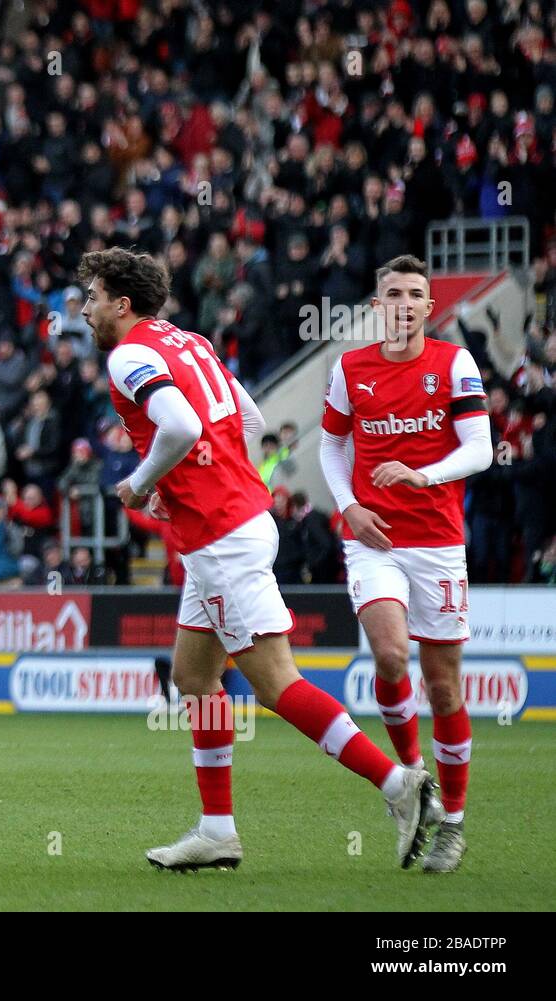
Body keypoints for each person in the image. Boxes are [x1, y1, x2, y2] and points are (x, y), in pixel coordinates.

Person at [79, 246, 434, 872]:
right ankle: (217, 831)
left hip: (221, 536)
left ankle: (397, 785)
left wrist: (141, 485)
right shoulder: (187, 341)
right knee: (193, 677)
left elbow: (183, 428)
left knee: (275, 683)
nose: (85, 308)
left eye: (92, 296)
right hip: (232, 523)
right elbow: (247, 416)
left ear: (121, 302)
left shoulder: (130, 354)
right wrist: (203, 480)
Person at [320, 254, 493, 872]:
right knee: (391, 655)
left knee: (444, 687)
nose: (404, 303)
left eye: (415, 294)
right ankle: (412, 775)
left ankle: (453, 823)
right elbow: (331, 444)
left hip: (440, 542)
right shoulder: (350, 368)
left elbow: (481, 449)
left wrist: (422, 475)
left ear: (427, 306)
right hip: (374, 539)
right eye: (392, 292)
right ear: (378, 306)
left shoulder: (454, 363)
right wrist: (350, 507)